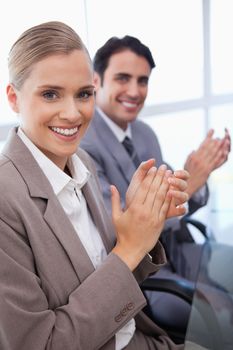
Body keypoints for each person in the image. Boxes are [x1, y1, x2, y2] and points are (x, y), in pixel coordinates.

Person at [0, 21, 193, 350]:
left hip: (138, 336)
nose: (73, 114)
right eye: (50, 94)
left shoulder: (82, 163)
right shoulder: (7, 198)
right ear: (14, 98)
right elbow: (40, 344)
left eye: (83, 94)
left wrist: (141, 226)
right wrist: (128, 248)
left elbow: (109, 280)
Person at [80, 35, 231, 332]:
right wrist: (188, 183)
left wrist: (196, 178)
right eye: (123, 78)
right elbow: (116, 231)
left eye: (143, 80)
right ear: (96, 80)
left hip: (181, 250)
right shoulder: (84, 146)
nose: (135, 91)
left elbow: (181, 201)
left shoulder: (145, 133)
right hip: (147, 277)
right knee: (225, 316)